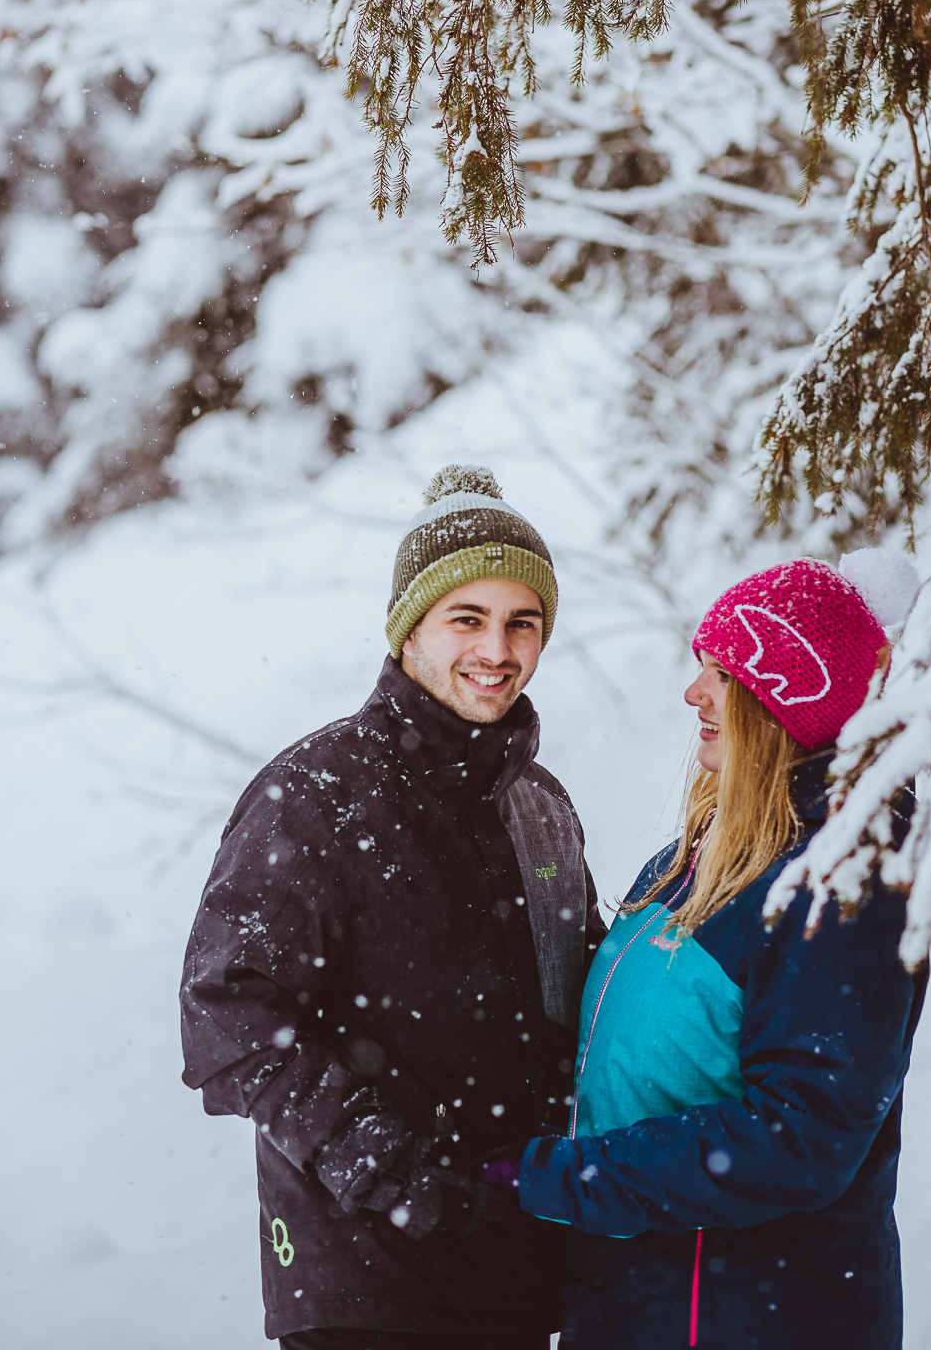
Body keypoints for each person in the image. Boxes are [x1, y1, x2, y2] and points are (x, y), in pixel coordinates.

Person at [180, 464, 602, 1349]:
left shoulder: (540, 806)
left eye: (522, 623)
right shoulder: (315, 796)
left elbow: (580, 1003)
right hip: (366, 1285)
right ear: (409, 628)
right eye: (467, 619)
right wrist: (394, 1177)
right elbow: (231, 1013)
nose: (497, 649)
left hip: (520, 1274)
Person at [512, 550, 927, 1350]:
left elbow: (800, 1136)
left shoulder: (841, 879)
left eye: (724, 674)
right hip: (644, 1292)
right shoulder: (704, 855)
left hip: (746, 1308)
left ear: (783, 704)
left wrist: (564, 1178)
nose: (693, 692)